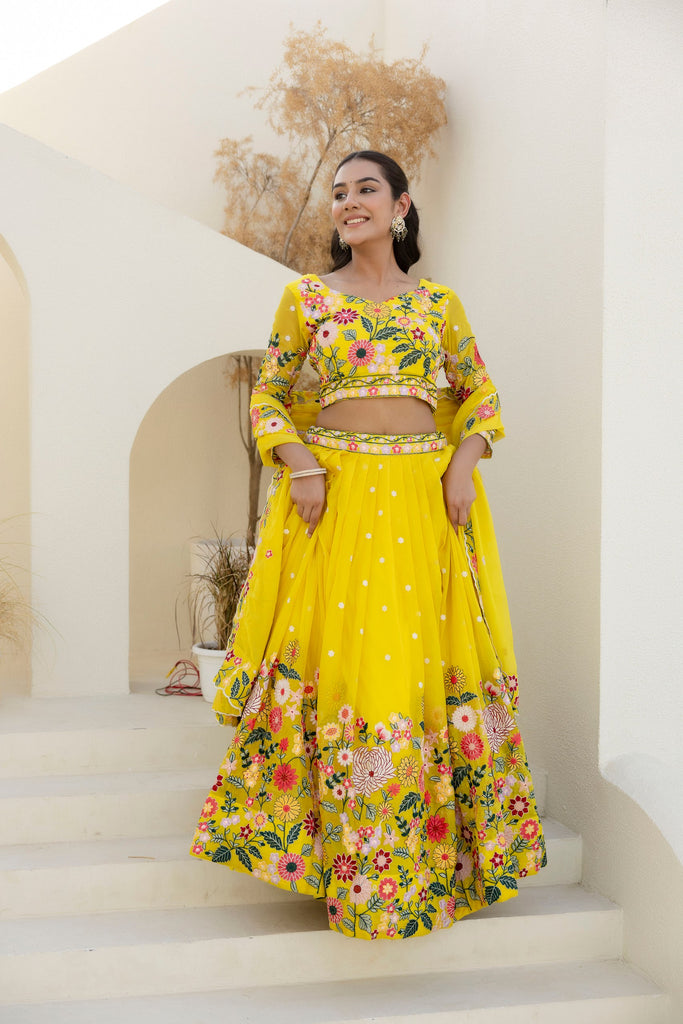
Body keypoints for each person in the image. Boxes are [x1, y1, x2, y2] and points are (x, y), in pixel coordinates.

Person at [190, 150, 546, 940]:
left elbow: (479, 395)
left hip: (421, 501)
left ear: (400, 206)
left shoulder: (438, 304)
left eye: (366, 190)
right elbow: (270, 395)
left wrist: (462, 464)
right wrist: (301, 465)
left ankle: (419, 864)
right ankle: (344, 861)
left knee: (412, 666)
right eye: (339, 193)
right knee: (350, 665)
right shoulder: (307, 298)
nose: (349, 202)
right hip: (338, 501)